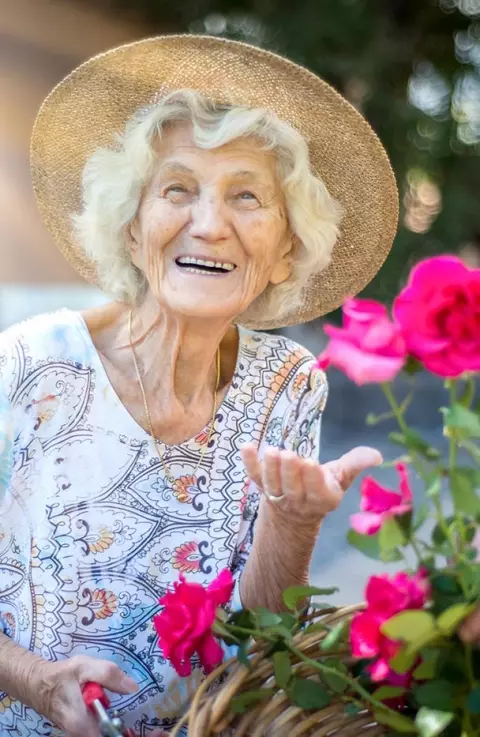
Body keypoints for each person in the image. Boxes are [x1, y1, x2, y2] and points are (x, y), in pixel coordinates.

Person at [0, 35, 398, 737]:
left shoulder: (289, 384)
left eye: (247, 197)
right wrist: (34, 683)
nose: (209, 225)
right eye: (177, 189)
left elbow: (262, 636)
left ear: (284, 252)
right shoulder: (28, 367)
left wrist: (294, 522)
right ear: (133, 230)